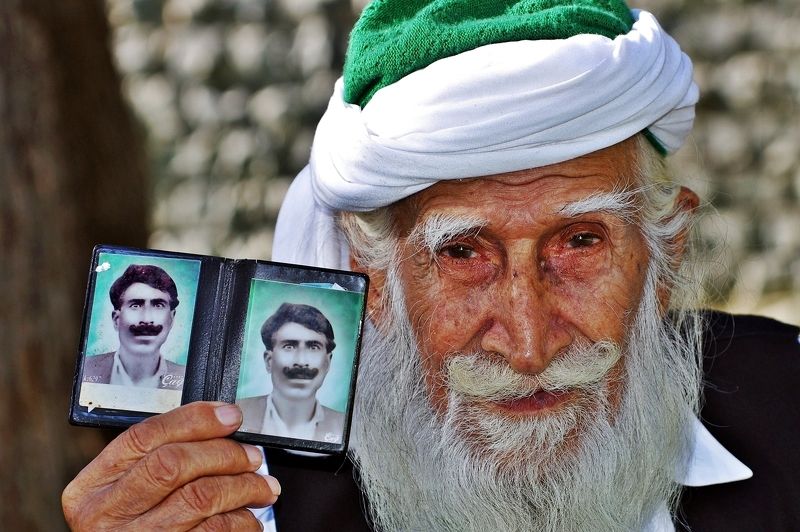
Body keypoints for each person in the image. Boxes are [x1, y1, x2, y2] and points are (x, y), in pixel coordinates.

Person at [63, 1, 800, 530]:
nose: (528, 343)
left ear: (662, 253)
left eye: (581, 243)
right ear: (372, 277)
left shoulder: (788, 408)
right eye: (462, 252)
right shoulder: (256, 502)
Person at [237, 303, 344, 443]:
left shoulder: (346, 427)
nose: (301, 361)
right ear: (269, 361)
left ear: (327, 362)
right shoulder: (238, 413)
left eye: (313, 347)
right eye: (289, 346)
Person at [82, 264, 185, 390]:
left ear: (172, 318)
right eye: (135, 306)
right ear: (116, 319)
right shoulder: (86, 369)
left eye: (158, 305)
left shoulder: (185, 379)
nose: (147, 319)